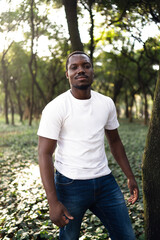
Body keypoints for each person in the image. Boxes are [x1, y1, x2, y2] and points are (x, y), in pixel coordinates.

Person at [37, 51, 139, 240]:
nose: (80, 70)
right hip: (70, 184)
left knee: (126, 236)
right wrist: (53, 201)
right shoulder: (55, 107)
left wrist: (130, 176)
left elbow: (115, 141)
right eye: (73, 67)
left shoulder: (106, 103)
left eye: (86, 65)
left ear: (92, 71)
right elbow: (44, 154)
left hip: (105, 182)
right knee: (69, 238)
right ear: (67, 74)